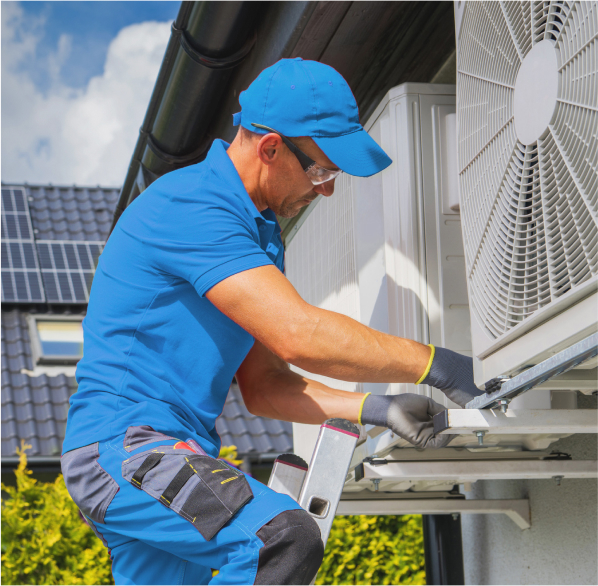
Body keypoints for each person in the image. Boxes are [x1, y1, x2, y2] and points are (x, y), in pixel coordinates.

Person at [61, 58, 482, 585]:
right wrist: (436, 364)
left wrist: (378, 406)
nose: (326, 189)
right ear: (270, 147)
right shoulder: (193, 206)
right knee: (280, 537)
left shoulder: (257, 236)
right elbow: (298, 334)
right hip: (129, 451)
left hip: (165, 454)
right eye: (322, 170)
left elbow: (264, 386)